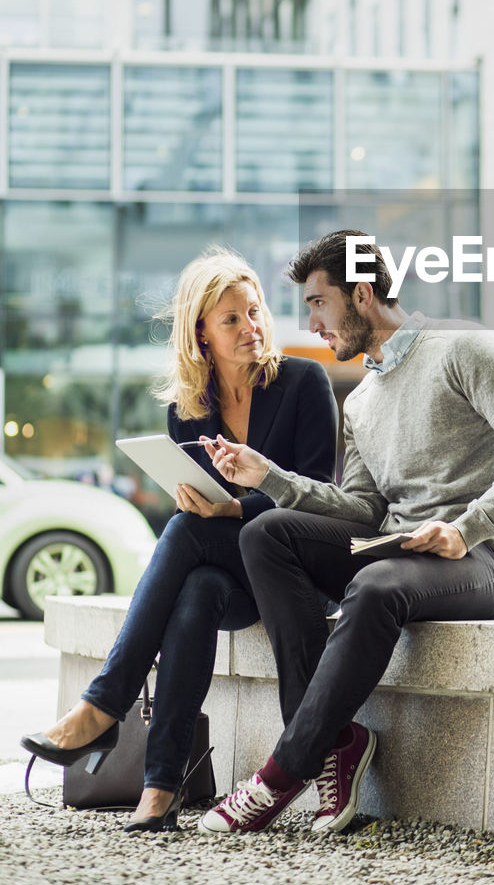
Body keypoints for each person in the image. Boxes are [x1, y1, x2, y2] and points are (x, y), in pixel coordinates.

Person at [195, 229, 494, 836]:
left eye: (319, 303)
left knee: (373, 586)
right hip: (400, 548)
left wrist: (468, 527)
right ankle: (332, 744)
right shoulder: (363, 398)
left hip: (491, 560)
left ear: (362, 293)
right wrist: (270, 478)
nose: (313, 323)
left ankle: (282, 774)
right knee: (265, 534)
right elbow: (366, 509)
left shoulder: (461, 347)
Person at [21, 246, 338, 833]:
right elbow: (200, 507)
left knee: (191, 528)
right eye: (232, 319)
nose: (251, 328)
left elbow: (320, 493)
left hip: (297, 565)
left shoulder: (302, 382)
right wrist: (202, 502)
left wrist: (232, 506)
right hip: (230, 573)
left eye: (255, 311)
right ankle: (161, 787)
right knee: (196, 590)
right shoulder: (187, 412)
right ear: (201, 334)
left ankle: (103, 705)